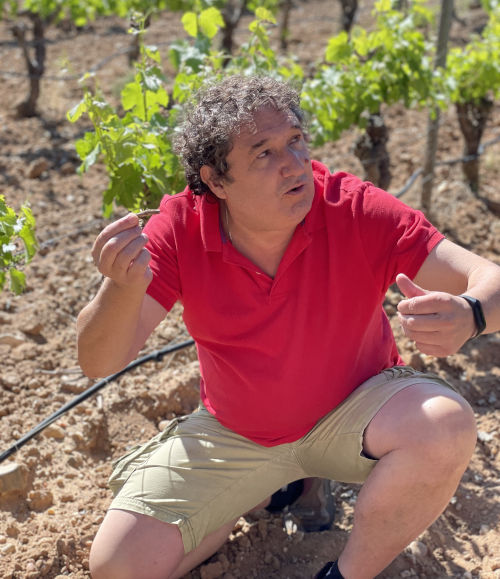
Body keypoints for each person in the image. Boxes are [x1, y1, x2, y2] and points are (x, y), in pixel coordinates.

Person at [77, 75, 500, 579]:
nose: (294, 164)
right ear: (215, 180)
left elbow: (488, 276)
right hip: (237, 434)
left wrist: (471, 313)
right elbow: (98, 362)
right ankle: (267, 491)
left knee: (444, 424)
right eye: (263, 153)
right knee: (117, 567)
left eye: (295, 141)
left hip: (358, 416)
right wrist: (121, 288)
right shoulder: (178, 228)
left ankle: (345, 573)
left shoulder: (354, 208)